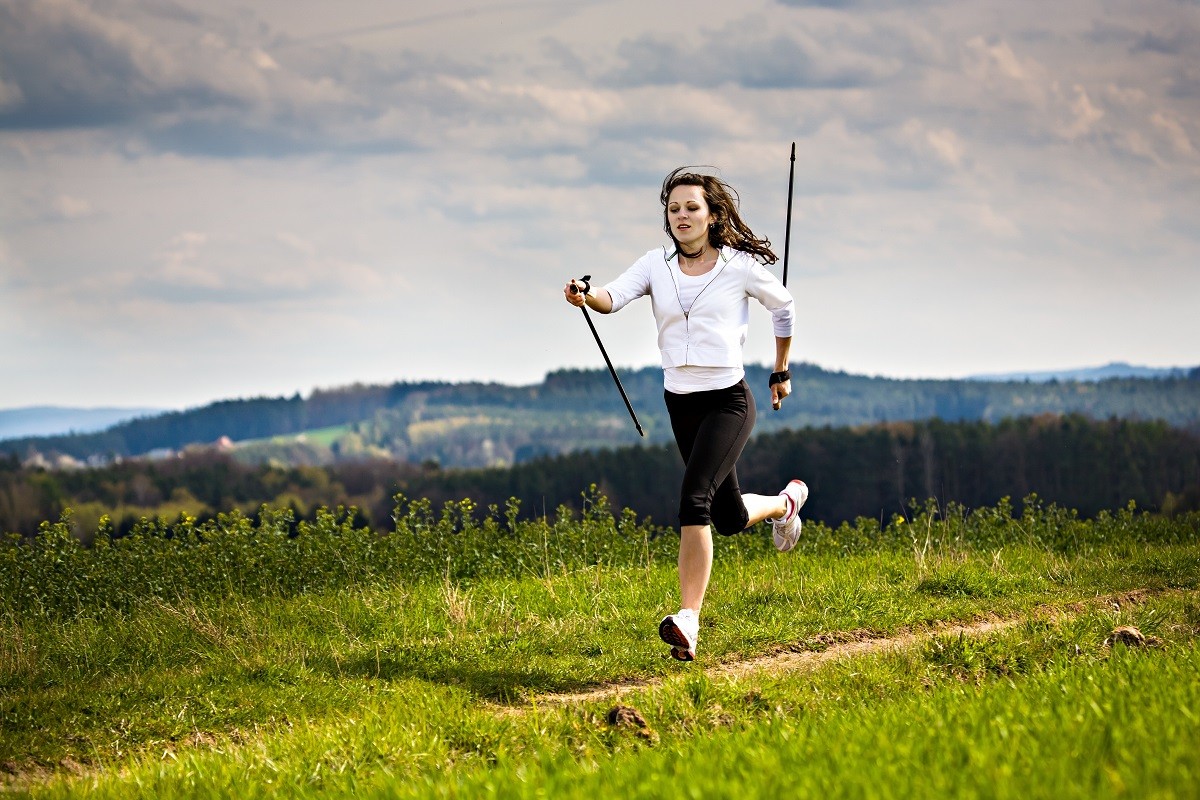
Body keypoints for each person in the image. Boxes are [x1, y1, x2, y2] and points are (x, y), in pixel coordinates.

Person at [562, 166, 808, 661]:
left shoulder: (737, 266)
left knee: (693, 501)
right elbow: (613, 297)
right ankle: (786, 504)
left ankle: (689, 620)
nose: (682, 216)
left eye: (692, 207)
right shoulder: (656, 265)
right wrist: (585, 295)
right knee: (730, 516)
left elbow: (784, 307)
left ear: (712, 215)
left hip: (728, 401)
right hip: (681, 403)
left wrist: (780, 371)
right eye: (674, 209)